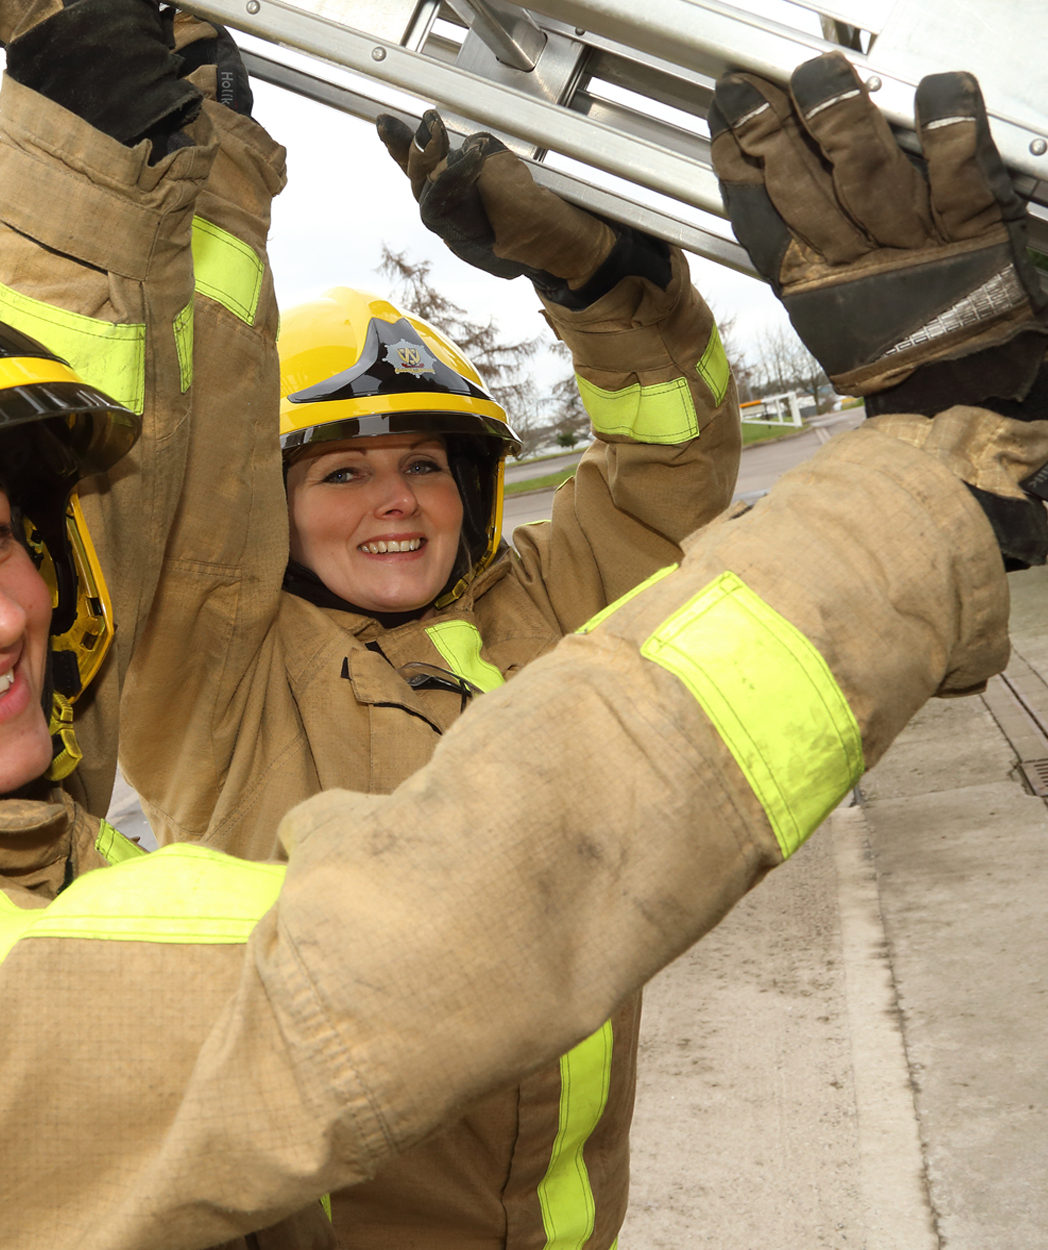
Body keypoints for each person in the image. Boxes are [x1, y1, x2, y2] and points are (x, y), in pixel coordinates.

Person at [0, 0, 1048, 1243]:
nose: (5, 602)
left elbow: (665, 454)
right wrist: (929, 465)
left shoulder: (504, 612)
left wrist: (598, 277)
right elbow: (169, 524)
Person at [100, 32, 738, 1244]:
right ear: (266, 503)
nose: (394, 500)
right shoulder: (219, 672)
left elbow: (669, 461)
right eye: (339, 471)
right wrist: (191, 192)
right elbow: (165, 444)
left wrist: (607, 292)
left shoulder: (543, 598)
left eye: (422, 465)